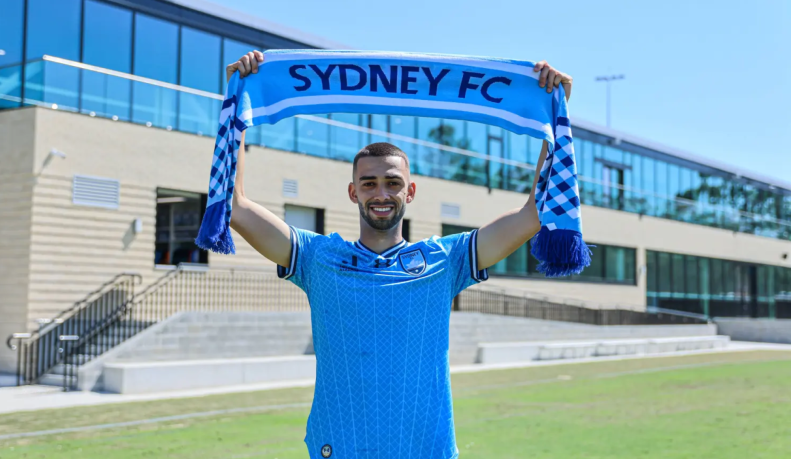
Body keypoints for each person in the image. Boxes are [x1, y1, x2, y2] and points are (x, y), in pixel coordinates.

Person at [227, 50, 572, 459]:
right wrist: (239, 104)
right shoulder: (317, 258)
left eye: (392, 183)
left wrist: (556, 113)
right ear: (353, 192)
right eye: (369, 184)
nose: (381, 194)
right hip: (341, 448)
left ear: (410, 191)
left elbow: (533, 214)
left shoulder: (447, 260)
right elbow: (234, 207)